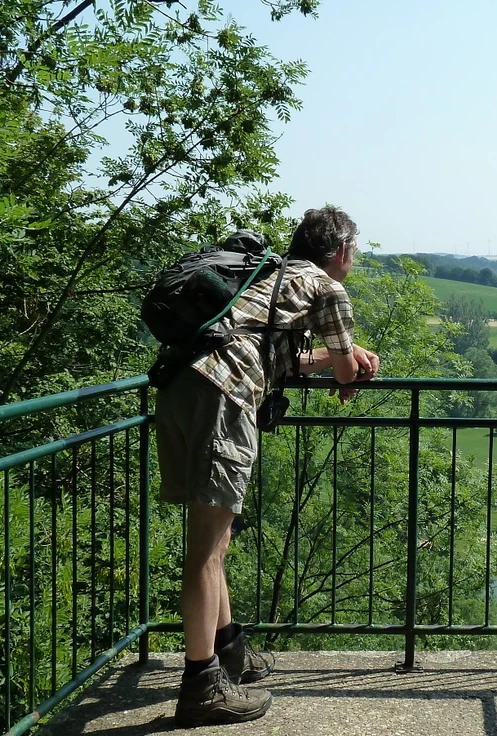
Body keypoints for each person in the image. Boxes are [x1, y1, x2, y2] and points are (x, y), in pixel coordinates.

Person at [154, 206, 380, 726]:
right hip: (223, 395)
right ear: (342, 251)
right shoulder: (326, 287)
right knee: (206, 548)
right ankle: (201, 686)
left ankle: (229, 651)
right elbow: (345, 372)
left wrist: (342, 357)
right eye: (354, 252)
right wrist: (354, 360)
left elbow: (282, 357)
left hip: (181, 386)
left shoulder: (272, 274)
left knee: (215, 541)